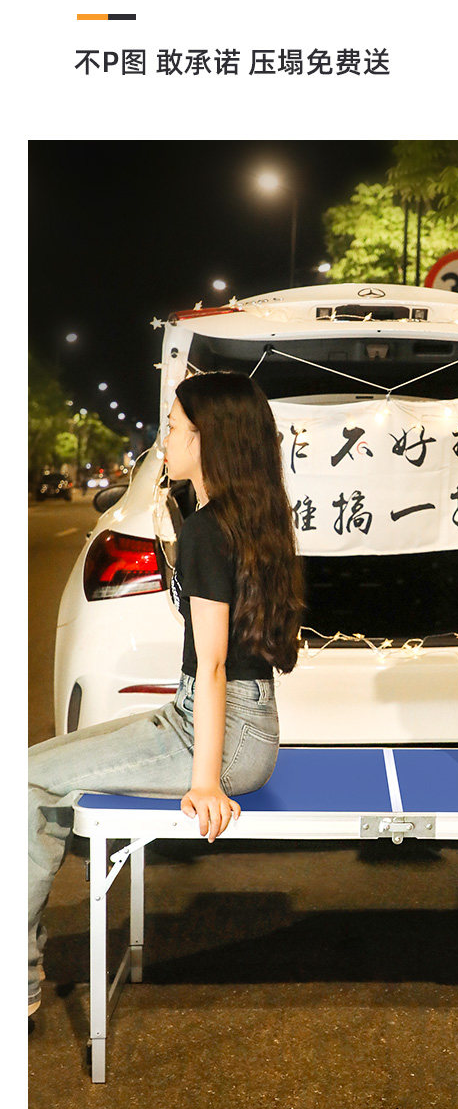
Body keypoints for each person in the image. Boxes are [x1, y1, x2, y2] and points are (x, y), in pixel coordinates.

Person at [29, 371, 303, 1018]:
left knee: (29, 781)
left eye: (175, 429)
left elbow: (213, 664)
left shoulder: (211, 529)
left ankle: (19, 979)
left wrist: (206, 783)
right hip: (229, 719)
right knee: (40, 767)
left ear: (210, 439)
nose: (165, 441)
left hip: (218, 732)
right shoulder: (249, 516)